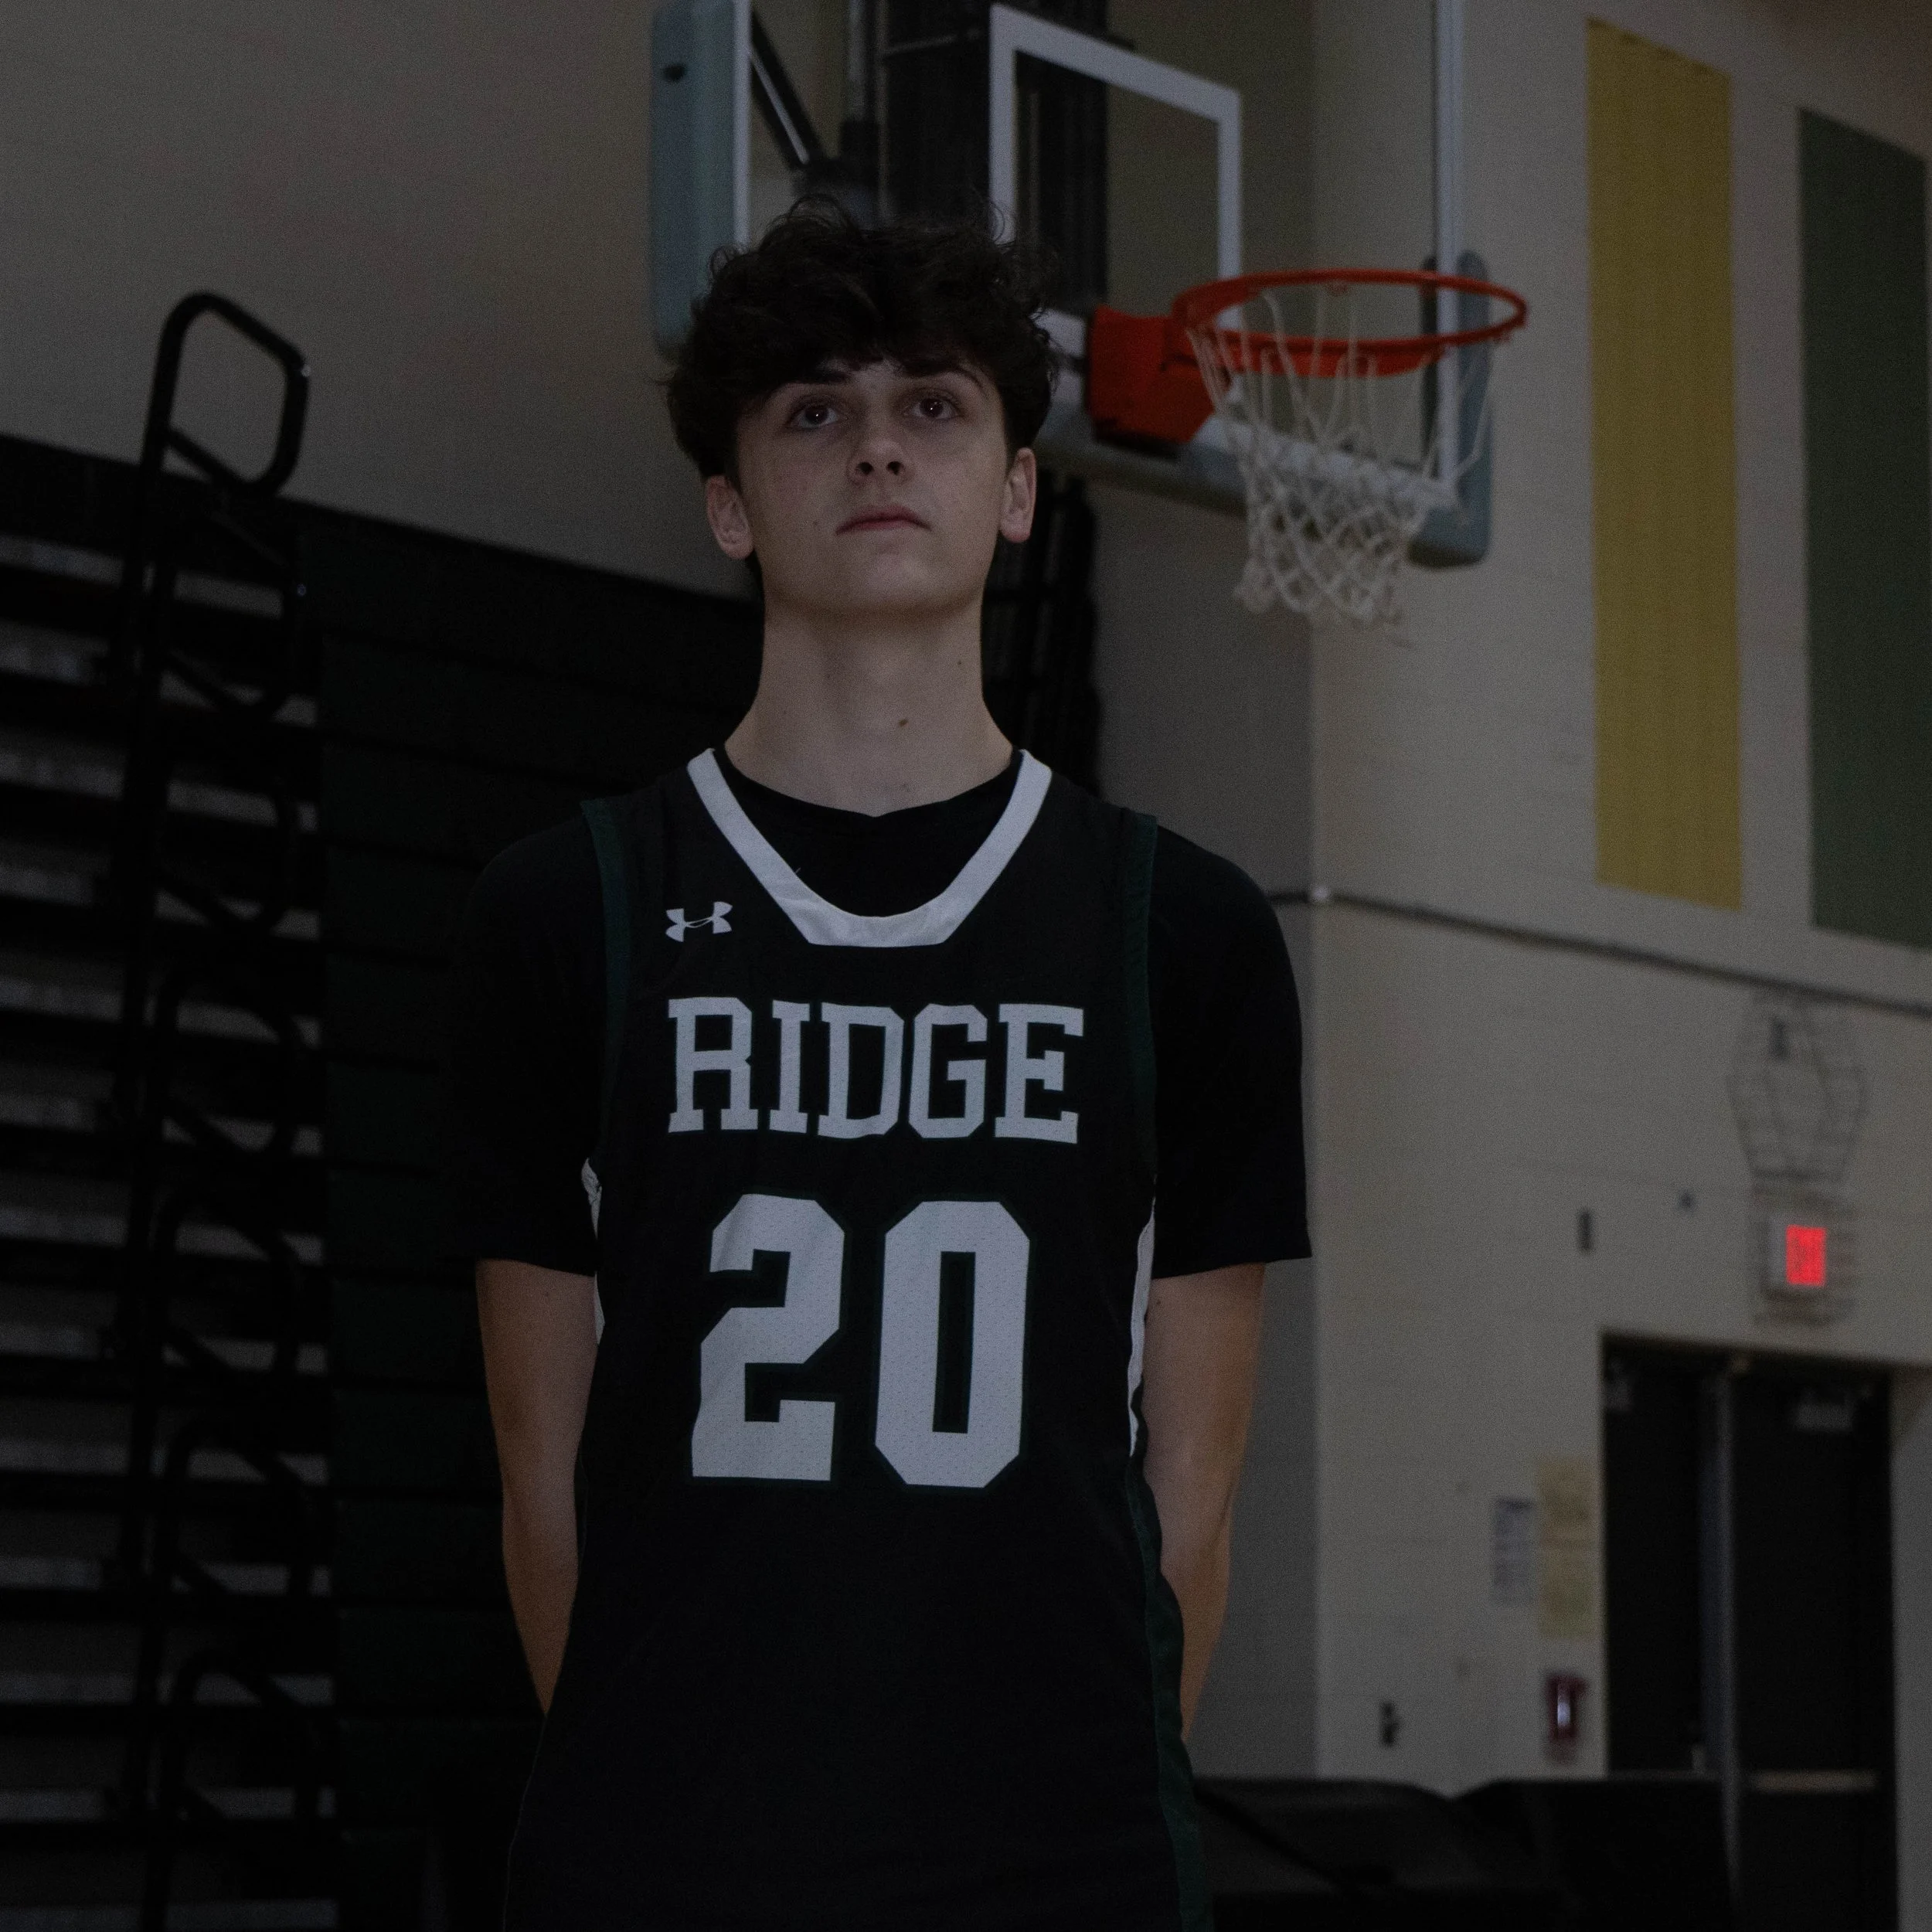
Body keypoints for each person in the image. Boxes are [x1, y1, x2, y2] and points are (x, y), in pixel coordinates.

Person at [447, 200, 1309, 1931]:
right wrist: (658, 1782)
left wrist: (1061, 1790)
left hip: (1056, 1861)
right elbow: (539, 1471)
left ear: (1012, 487)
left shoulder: (1182, 932)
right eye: (812, 412)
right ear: (727, 501)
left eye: (934, 406)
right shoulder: (567, 912)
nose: (876, 450)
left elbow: (1191, 1502)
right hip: (664, 1857)